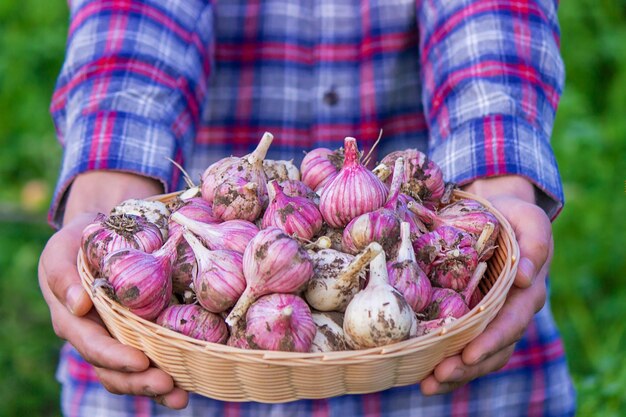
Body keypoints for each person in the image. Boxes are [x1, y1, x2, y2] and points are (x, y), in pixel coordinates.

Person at [39, 0, 576, 415]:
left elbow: (489, 15)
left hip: (439, 339)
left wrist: (499, 187)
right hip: (187, 345)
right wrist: (109, 199)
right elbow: (137, 17)